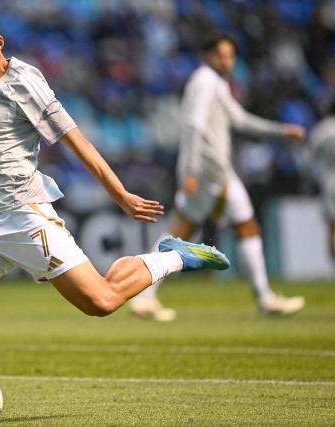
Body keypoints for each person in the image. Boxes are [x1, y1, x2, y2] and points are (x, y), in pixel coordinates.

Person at [0, 7, 229, 427]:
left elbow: (77, 142)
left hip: (25, 218)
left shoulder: (27, 83)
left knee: (101, 301)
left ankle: (173, 256)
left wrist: (121, 195)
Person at [129, 33, 306, 322]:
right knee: (245, 227)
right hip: (211, 172)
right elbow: (193, 126)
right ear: (207, 56)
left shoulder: (215, 83)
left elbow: (240, 120)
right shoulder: (206, 81)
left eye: (230, 55)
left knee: (179, 233)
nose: (227, 60)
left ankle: (145, 298)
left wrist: (282, 131)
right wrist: (188, 170)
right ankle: (265, 298)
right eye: (222, 55)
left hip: (209, 172)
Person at [309, 100, 335, 264]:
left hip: (330, 178)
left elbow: (309, 156)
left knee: (332, 226)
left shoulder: (323, 129)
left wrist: (311, 179)